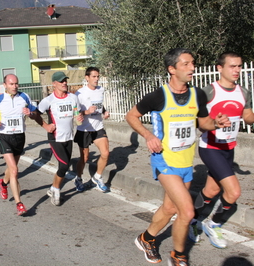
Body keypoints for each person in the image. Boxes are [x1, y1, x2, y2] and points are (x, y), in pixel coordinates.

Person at [126, 48, 230, 266]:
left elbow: (203, 122)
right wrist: (148, 135)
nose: (192, 68)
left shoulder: (197, 94)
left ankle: (147, 238)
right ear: (172, 69)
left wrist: (216, 123)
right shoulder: (158, 96)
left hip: (186, 163)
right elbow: (131, 115)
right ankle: (179, 255)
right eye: (186, 64)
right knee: (187, 210)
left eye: (193, 63)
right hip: (163, 160)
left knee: (170, 208)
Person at [190, 52, 254, 248]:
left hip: (229, 148)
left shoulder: (243, 92)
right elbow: (198, 123)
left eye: (239, 66)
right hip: (210, 147)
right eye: (232, 66)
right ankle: (214, 223)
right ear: (220, 68)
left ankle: (191, 219)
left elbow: (248, 117)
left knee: (212, 189)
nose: (237, 70)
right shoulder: (208, 92)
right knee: (233, 192)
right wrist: (214, 123)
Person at [0, 74, 36, 216]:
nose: (14, 86)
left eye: (16, 84)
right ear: (5, 85)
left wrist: (30, 113)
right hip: (4, 137)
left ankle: (3, 183)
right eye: (11, 84)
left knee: (11, 169)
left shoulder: (24, 97)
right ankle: (19, 204)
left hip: (19, 136)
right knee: (14, 170)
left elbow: (34, 112)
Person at [33, 71, 83, 206]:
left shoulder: (73, 98)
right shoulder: (48, 100)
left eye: (65, 80)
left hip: (68, 136)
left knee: (64, 166)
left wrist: (79, 117)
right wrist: (45, 126)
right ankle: (56, 190)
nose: (64, 83)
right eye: (61, 81)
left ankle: (52, 187)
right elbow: (35, 114)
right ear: (54, 84)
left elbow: (77, 113)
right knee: (64, 165)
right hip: (55, 137)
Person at [73, 67, 110, 192]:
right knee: (84, 158)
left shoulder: (100, 90)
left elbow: (99, 104)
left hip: (98, 127)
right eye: (94, 76)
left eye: (98, 76)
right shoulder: (80, 93)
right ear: (87, 78)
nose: (96, 79)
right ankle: (78, 178)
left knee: (105, 153)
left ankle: (97, 177)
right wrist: (87, 112)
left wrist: (104, 112)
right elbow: (76, 112)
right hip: (84, 129)